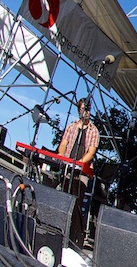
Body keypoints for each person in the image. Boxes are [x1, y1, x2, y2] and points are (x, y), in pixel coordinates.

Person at [57, 97, 99, 247]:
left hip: (82, 172)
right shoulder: (72, 127)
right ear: (79, 110)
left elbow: (91, 152)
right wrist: (62, 156)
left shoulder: (94, 131)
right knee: (63, 198)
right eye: (83, 109)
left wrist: (80, 163)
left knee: (77, 203)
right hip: (68, 167)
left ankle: (74, 237)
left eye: (88, 110)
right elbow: (63, 144)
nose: (86, 112)